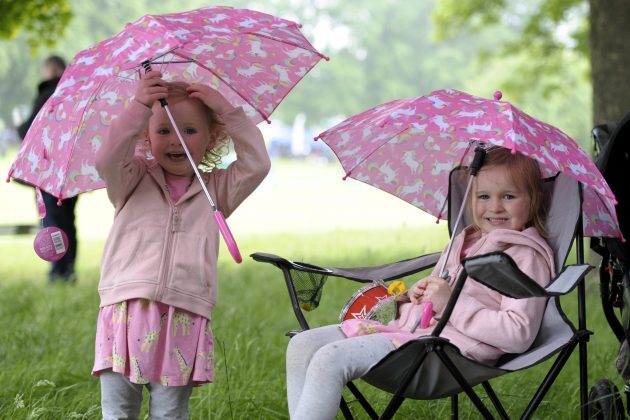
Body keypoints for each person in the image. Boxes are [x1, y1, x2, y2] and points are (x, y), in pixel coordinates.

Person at [285, 148, 555, 420]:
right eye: (484, 196)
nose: (495, 207)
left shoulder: (525, 257)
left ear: (533, 200)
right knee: (302, 344)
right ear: (471, 199)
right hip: (410, 334)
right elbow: (440, 293)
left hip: (446, 354)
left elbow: (518, 334)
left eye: (508, 196)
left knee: (329, 359)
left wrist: (451, 302)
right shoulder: (463, 241)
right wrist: (419, 295)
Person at [91, 71, 271, 419]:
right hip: (127, 309)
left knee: (170, 412)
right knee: (118, 411)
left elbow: (258, 163)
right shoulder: (131, 179)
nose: (176, 140)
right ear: (146, 135)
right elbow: (107, 159)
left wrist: (225, 109)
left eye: (190, 130)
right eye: (163, 130)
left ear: (212, 137)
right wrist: (139, 105)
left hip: (183, 316)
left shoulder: (217, 189)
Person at [18, 55, 79, 283]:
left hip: (48, 171)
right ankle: (69, 268)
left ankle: (58, 271)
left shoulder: (48, 94)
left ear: (52, 70)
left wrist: (17, 130)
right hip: (71, 171)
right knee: (68, 220)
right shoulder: (75, 94)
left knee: (52, 221)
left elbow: (29, 129)